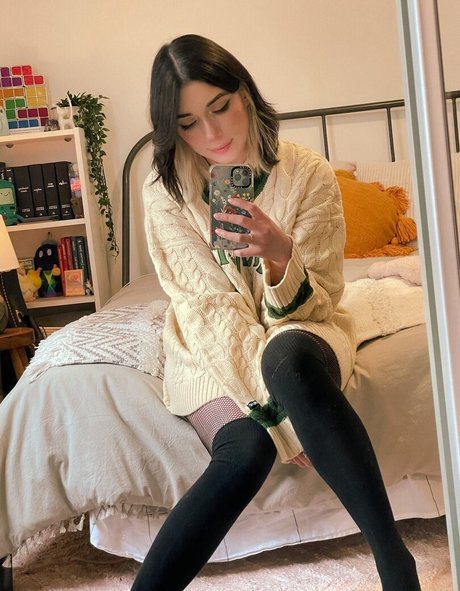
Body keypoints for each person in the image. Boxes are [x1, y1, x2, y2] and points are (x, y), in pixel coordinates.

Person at [131, 34, 421, 591]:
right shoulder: (164, 192)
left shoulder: (308, 173)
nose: (212, 134)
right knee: (247, 449)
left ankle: (394, 564)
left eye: (220, 107)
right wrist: (283, 422)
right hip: (210, 343)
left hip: (303, 330)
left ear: (244, 93)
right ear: (172, 130)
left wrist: (281, 255)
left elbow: (324, 296)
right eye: (188, 123)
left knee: (286, 357)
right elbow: (211, 307)